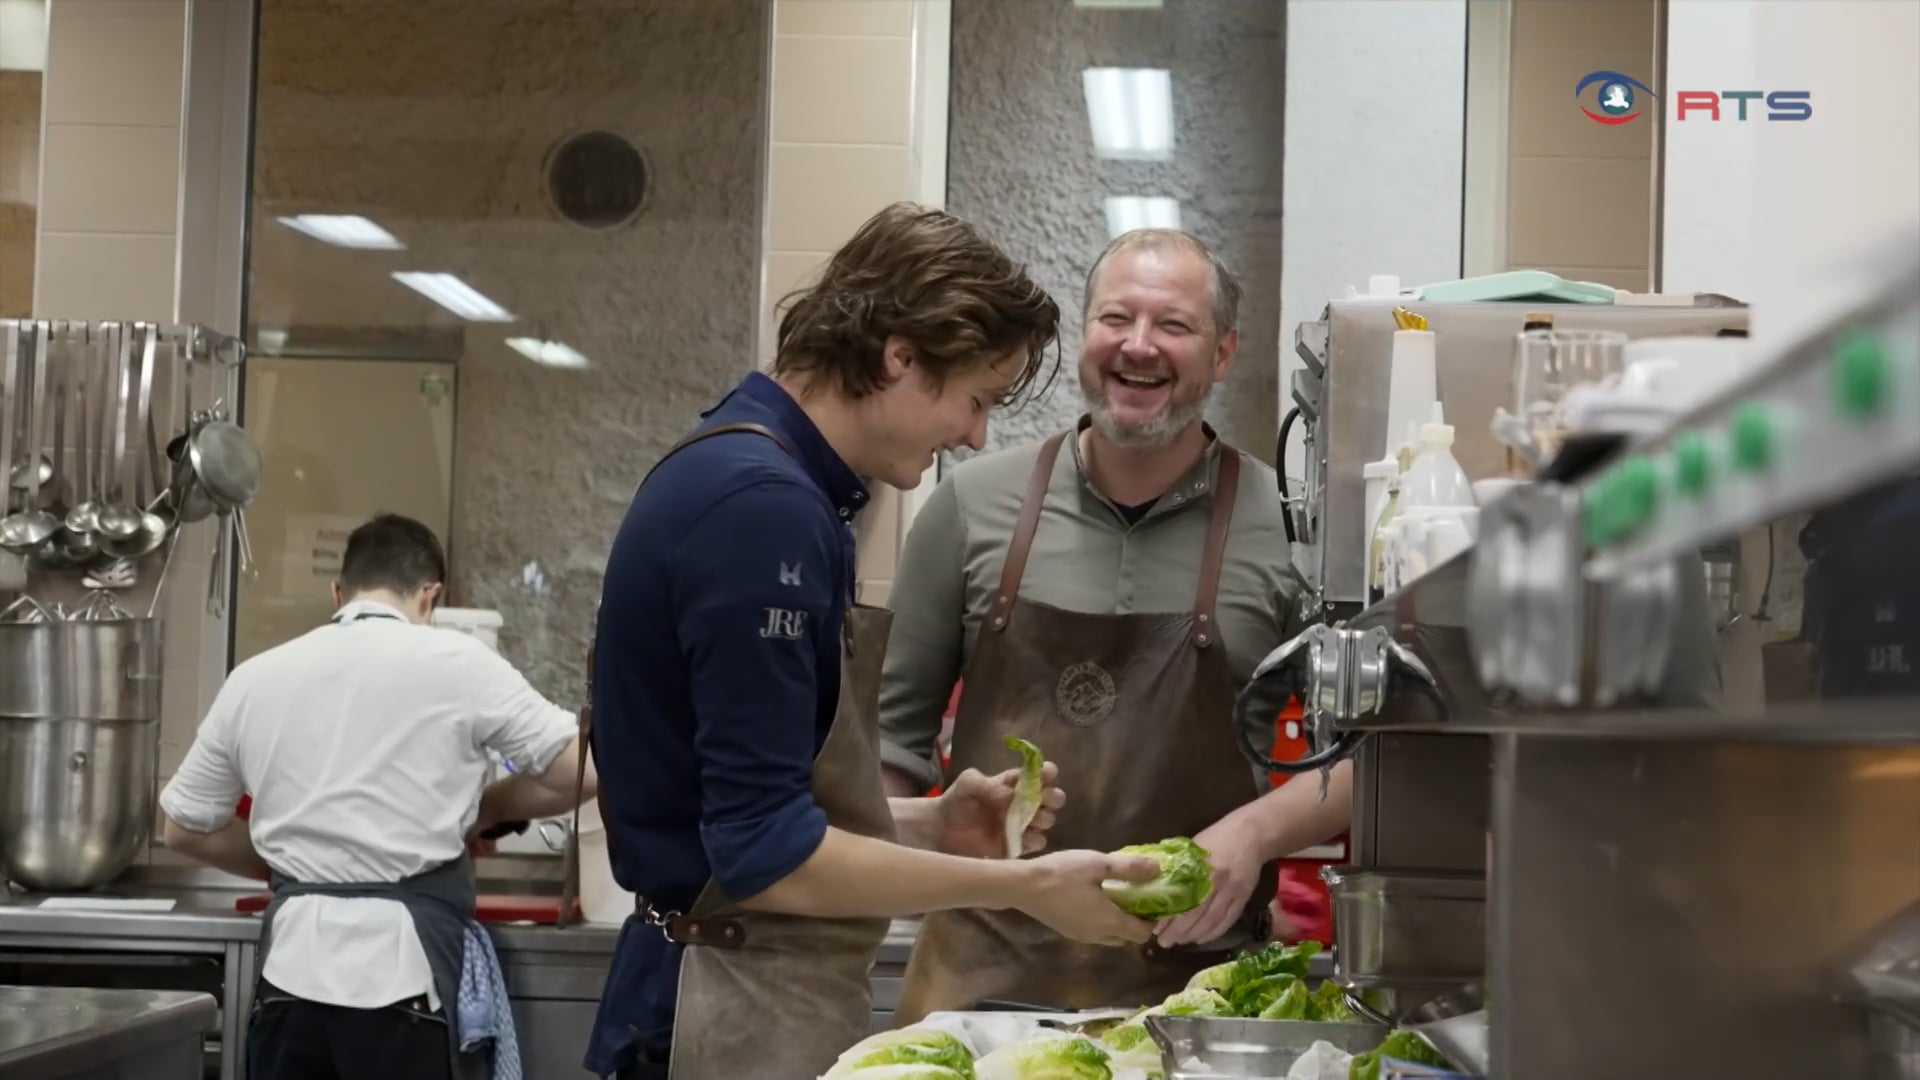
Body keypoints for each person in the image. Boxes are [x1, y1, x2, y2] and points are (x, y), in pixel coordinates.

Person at [582, 202, 1163, 1080]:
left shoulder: (757, 480)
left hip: (732, 982)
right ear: (899, 355)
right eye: (976, 399)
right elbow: (764, 854)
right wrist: (1028, 890)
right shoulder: (760, 511)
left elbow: (743, 795)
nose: (972, 434)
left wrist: (930, 824)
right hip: (716, 999)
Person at [877, 228, 1346, 1021]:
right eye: (1115, 318)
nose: (1139, 346)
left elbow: (1365, 755)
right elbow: (883, 746)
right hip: (971, 996)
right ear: (1084, 332)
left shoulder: (1292, 527)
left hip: (1197, 1000)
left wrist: (1254, 834)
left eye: (1174, 325)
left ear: (1223, 351)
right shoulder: (970, 505)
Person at [159, 513, 597, 1080]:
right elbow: (583, 770)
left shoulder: (256, 677)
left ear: (338, 592)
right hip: (405, 988)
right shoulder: (460, 664)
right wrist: (489, 807)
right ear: (430, 596)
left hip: (288, 987)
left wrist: (298, 868)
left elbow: (183, 826)